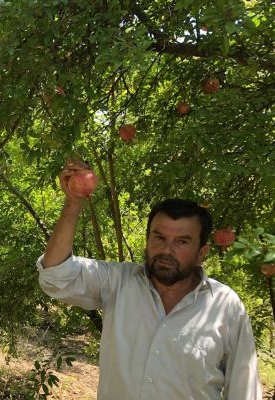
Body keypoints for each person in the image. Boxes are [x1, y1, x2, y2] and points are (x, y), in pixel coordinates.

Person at [37, 160, 262, 399]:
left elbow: (244, 390)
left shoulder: (225, 306)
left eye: (182, 242)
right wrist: (73, 203)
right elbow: (55, 277)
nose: (167, 250)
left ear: (201, 253)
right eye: (159, 237)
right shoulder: (118, 282)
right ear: (147, 240)